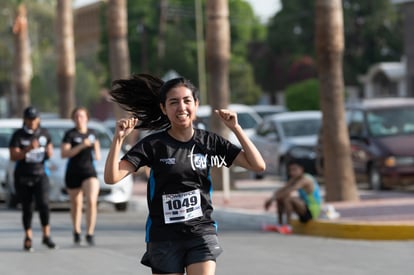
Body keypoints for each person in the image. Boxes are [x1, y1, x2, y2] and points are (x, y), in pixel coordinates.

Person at [104, 73, 266, 275]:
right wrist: (117, 140)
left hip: (200, 232)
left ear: (196, 105)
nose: (181, 107)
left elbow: (257, 166)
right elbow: (112, 177)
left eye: (187, 101)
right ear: (164, 108)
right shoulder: (153, 145)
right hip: (164, 236)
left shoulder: (209, 142)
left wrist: (236, 128)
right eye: (173, 102)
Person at [9, 106, 57, 251]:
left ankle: (46, 235)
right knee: (27, 207)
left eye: (34, 119)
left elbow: (50, 151)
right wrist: (28, 149)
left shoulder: (44, 133)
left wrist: (49, 152)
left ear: (38, 119)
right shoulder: (18, 135)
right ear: (24, 119)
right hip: (23, 175)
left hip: (41, 174)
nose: (32, 122)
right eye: (29, 119)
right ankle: (28, 236)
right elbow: (13, 156)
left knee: (43, 204)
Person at [61, 106, 101, 246]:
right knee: (76, 204)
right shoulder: (70, 135)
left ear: (87, 118)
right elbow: (64, 154)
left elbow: (97, 155)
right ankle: (76, 231)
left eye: (82, 116)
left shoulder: (92, 133)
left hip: (89, 171)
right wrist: (81, 146)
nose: (79, 119)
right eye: (77, 116)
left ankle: (90, 233)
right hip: (73, 172)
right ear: (73, 119)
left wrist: (95, 150)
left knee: (91, 201)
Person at [264, 159, 321, 234]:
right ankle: (280, 224)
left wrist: (271, 200)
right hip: (303, 208)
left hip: (312, 211)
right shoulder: (295, 178)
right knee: (281, 198)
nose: (292, 172)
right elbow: (283, 189)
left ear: (301, 169)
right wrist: (272, 198)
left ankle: (288, 226)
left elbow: (290, 190)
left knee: (288, 198)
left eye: (295, 169)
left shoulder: (306, 179)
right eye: (290, 170)